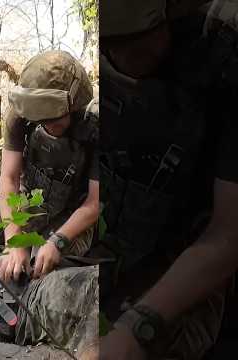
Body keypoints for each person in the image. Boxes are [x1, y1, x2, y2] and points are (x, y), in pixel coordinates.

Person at [91, 1, 238, 359]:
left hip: (204, 262)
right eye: (112, 44)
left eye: (136, 39)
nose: (123, 56)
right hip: (133, 249)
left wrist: (136, 328)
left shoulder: (223, 62)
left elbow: (227, 234)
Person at [0, 49, 100, 283]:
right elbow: (9, 179)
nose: (45, 125)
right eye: (39, 120)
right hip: (29, 201)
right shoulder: (21, 113)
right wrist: (14, 242)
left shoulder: (95, 126)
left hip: (75, 215)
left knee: (40, 269)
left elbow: (94, 203)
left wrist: (57, 241)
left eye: (53, 118)